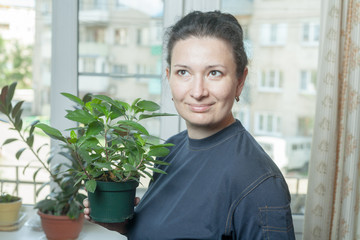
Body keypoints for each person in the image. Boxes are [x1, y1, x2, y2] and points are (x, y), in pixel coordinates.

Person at [84, 10, 295, 240]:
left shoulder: (260, 184)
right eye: (183, 72)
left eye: (214, 73)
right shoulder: (170, 150)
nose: (197, 92)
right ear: (169, 77)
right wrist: (124, 226)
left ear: (240, 81)